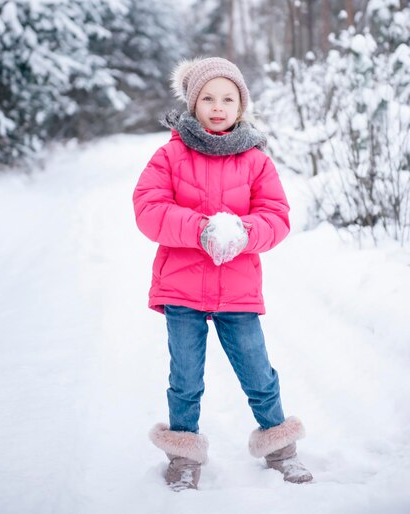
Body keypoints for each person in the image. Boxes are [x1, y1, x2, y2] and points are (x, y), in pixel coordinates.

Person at [132, 57, 313, 491]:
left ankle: (280, 449)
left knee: (258, 372)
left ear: (240, 104)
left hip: (237, 288)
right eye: (208, 98)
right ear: (193, 104)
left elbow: (277, 216)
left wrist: (243, 231)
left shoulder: (255, 160)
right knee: (186, 378)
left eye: (227, 98)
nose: (218, 106)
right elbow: (148, 209)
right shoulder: (170, 154)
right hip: (182, 288)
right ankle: (183, 457)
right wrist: (200, 228)